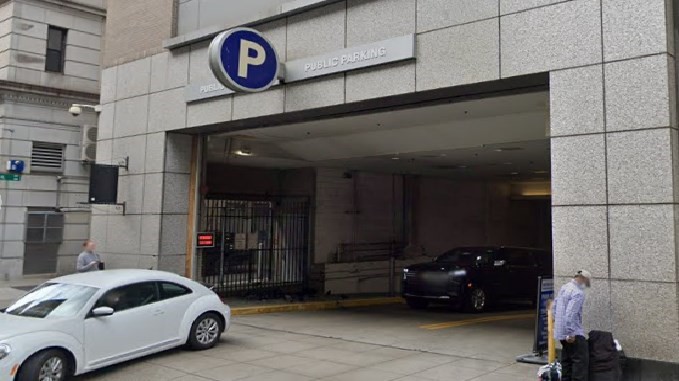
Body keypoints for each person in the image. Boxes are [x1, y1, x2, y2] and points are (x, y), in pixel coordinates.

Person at [553, 270, 592, 381]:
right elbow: (570, 314)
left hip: (561, 333)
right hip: (573, 333)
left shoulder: (565, 287)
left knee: (566, 361)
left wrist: (560, 326)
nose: (587, 284)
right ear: (583, 279)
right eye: (587, 281)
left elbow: (555, 306)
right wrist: (570, 333)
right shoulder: (578, 293)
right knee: (580, 362)